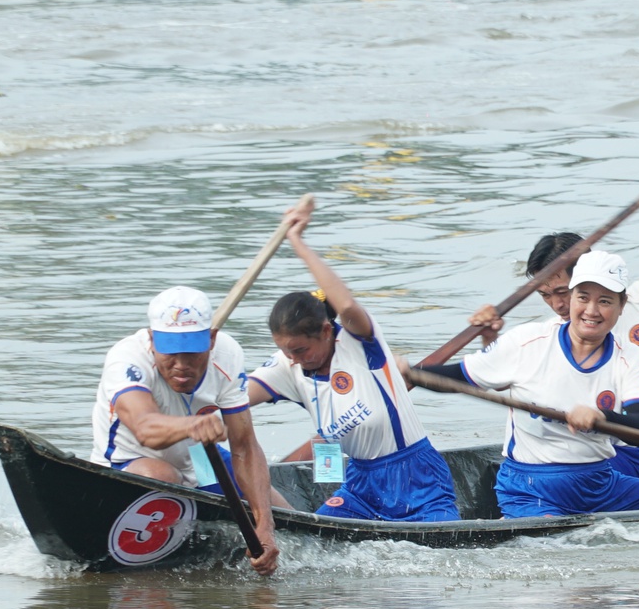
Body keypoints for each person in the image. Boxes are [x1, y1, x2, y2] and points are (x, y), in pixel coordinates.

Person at [497, 154, 639, 495]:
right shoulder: (548, 338)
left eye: (563, 292)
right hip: (611, 450)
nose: (559, 306)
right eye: (545, 295)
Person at [240, 197, 460, 522]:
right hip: (359, 484)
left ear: (327, 331)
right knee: (312, 543)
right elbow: (234, 400)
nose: (294, 360)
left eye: (300, 350)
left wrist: (297, 243)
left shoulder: (358, 342)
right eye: (286, 351)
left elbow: (345, 306)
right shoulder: (288, 365)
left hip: (417, 477)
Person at [441, 252, 639, 518]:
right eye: (583, 298)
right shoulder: (527, 340)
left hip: (599, 482)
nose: (591, 311)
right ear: (572, 299)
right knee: (552, 545)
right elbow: (455, 377)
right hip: (533, 486)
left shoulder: (629, 356)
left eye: (604, 301)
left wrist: (602, 416)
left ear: (621, 305)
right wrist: (407, 372)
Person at [90, 285, 281, 575]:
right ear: (152, 339)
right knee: (164, 476)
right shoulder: (127, 358)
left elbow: (244, 446)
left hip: (200, 458)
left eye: (192, 354)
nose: (181, 366)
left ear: (212, 340)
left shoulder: (227, 354)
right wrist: (193, 424)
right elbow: (145, 429)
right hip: (129, 461)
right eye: (170, 353)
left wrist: (265, 527)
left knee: (282, 512)